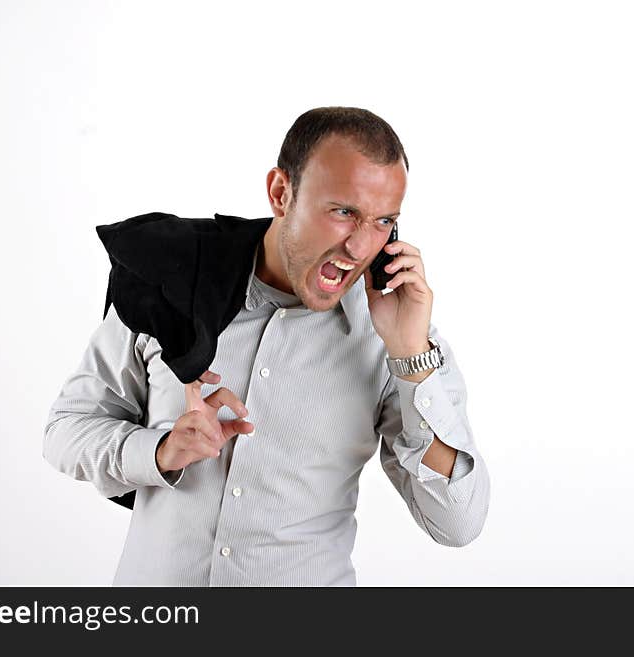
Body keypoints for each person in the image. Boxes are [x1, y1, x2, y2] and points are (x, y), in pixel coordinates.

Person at [44, 107, 490, 586]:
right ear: (281, 193)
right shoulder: (167, 286)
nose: (361, 248)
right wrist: (161, 450)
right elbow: (65, 430)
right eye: (344, 212)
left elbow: (458, 522)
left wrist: (410, 357)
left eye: (383, 221)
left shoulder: (398, 338)